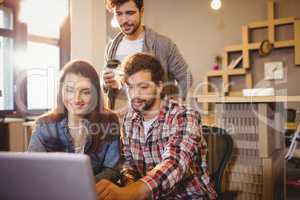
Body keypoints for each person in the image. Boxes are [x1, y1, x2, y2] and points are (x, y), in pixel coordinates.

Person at [96, 53, 217, 200]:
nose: (135, 95)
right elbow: (128, 164)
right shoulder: (129, 120)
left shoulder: (184, 115)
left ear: (159, 86)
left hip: (189, 196)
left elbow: (174, 163)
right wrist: (128, 183)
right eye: (130, 87)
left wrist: (128, 194)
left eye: (143, 87)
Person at [28, 60, 121, 183]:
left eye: (85, 92)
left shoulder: (110, 121)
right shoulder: (44, 125)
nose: (76, 99)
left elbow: (112, 170)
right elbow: (33, 171)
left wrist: (83, 186)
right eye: (70, 90)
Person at [102, 0, 193, 112]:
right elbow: (111, 86)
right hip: (120, 120)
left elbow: (186, 77)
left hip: (154, 122)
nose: (124, 20)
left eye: (130, 13)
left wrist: (173, 109)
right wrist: (106, 82)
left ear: (142, 11)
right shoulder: (111, 47)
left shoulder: (163, 44)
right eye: (119, 14)